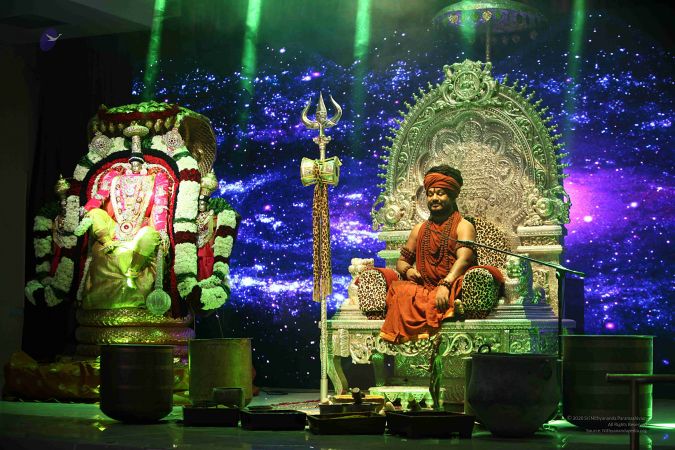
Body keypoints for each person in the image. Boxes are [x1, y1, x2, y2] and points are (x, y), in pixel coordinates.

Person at [379, 165, 500, 343]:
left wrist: (445, 284)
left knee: (452, 289)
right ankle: (443, 310)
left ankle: (448, 304)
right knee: (401, 290)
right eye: (430, 194)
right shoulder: (419, 229)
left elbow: (464, 259)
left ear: (451, 195)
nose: (434, 198)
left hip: (451, 283)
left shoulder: (463, 226)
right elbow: (402, 261)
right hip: (425, 286)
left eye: (440, 193)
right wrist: (408, 270)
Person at [76, 150, 169, 309]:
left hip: (139, 232)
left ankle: (132, 272)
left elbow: (161, 206)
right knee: (95, 213)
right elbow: (99, 196)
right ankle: (107, 242)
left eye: (138, 163)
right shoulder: (115, 178)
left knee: (150, 235)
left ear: (143, 165)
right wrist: (87, 209)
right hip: (115, 232)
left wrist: (161, 230)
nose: (135, 166)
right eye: (132, 162)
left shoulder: (153, 179)